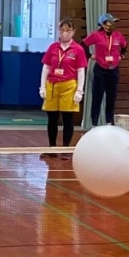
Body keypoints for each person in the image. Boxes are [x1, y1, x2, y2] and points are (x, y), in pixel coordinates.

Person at [40, 18, 88, 159]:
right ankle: (52, 148)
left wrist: (79, 90)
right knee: (52, 119)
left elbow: (80, 71)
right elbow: (46, 67)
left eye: (68, 30)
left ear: (73, 32)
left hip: (69, 85)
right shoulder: (53, 48)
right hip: (53, 85)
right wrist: (42, 87)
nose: (65, 33)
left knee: (68, 119)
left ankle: (66, 148)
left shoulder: (78, 49)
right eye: (62, 30)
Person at [83, 14, 126, 129]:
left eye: (113, 22)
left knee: (111, 98)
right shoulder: (96, 35)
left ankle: (109, 124)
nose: (111, 25)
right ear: (102, 24)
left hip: (114, 70)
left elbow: (125, 46)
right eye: (109, 23)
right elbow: (83, 44)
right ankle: (94, 125)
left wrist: (122, 55)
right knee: (97, 98)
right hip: (100, 70)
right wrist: (90, 55)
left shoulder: (118, 35)